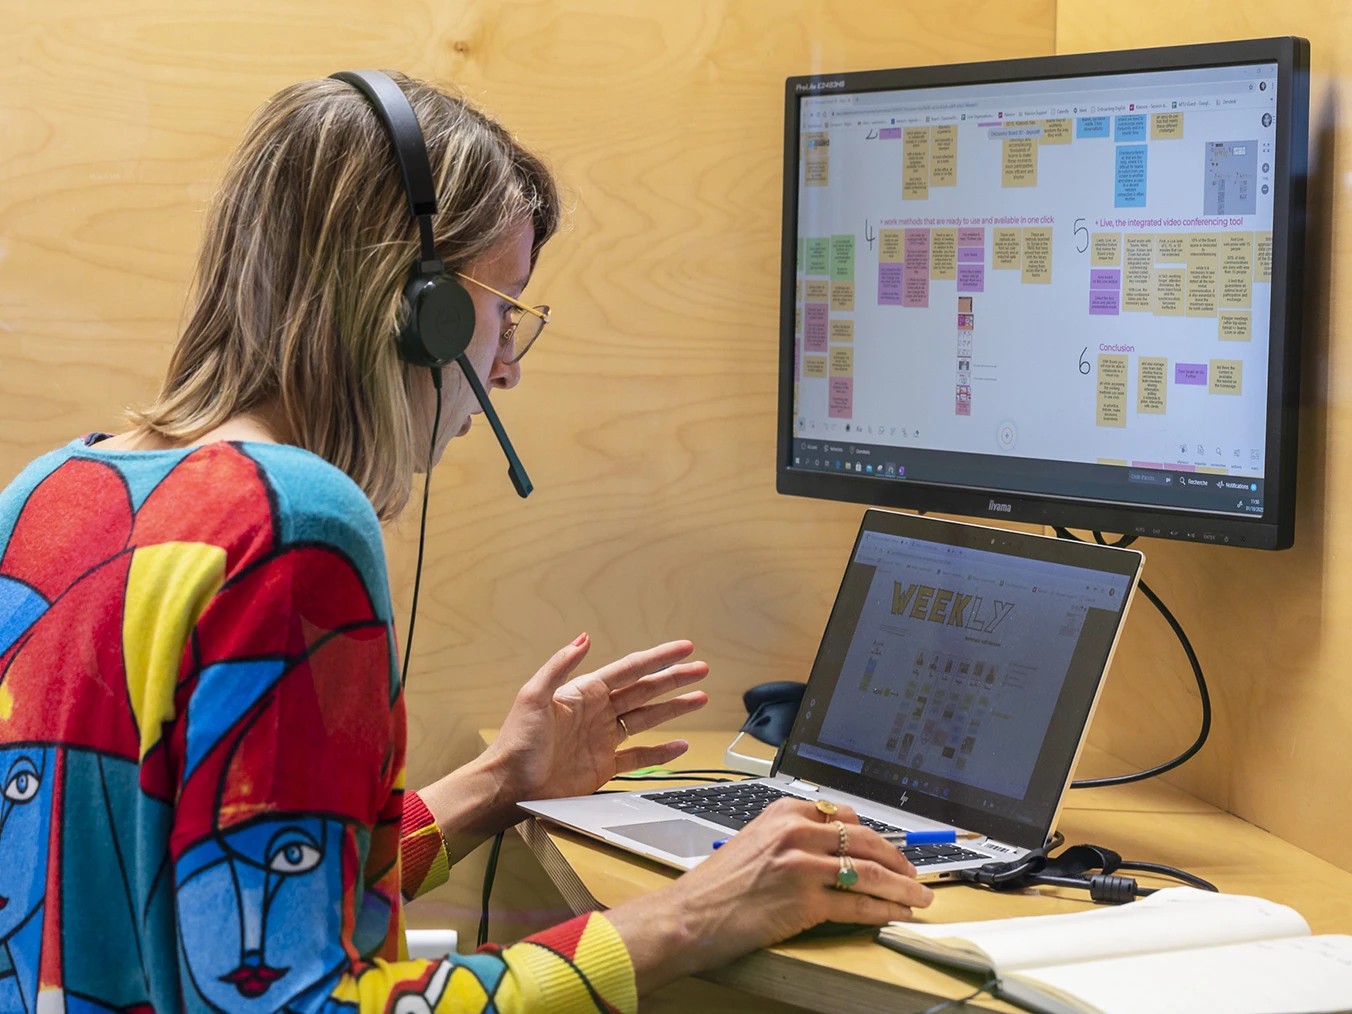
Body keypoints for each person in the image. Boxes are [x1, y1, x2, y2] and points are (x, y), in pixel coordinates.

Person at [0, 72, 932, 1013]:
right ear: (422, 311)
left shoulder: (48, 494)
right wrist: (694, 915)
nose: (507, 366)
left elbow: (219, 897)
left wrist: (498, 783)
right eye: (504, 308)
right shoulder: (289, 528)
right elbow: (302, 1005)